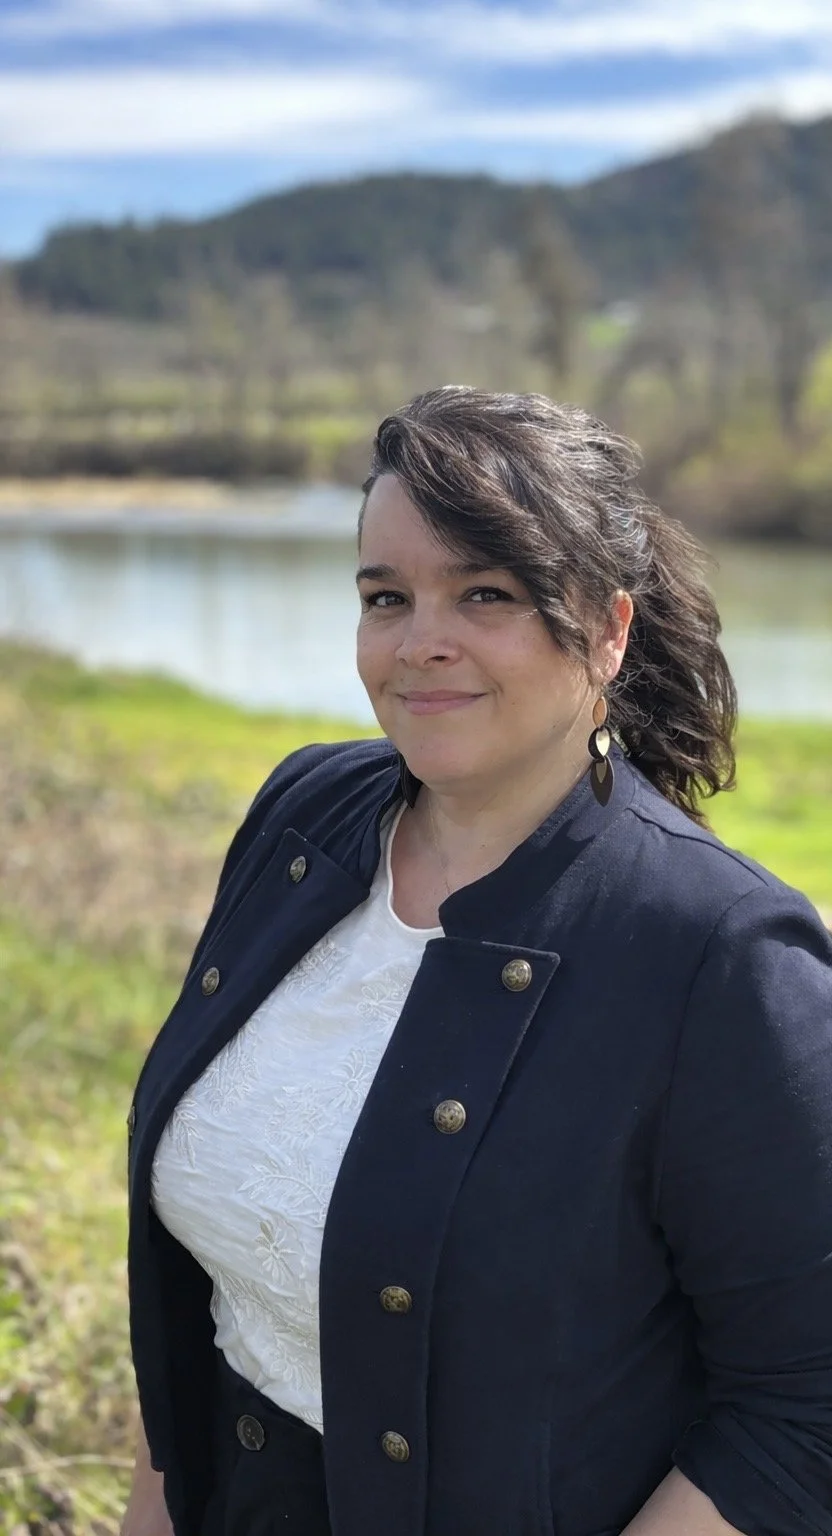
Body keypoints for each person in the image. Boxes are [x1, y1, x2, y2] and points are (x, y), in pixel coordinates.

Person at [121, 388, 832, 1536]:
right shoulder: (304, 813)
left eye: (485, 593)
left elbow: (803, 1411)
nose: (420, 643)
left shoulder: (721, 954)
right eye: (385, 597)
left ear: (608, 629)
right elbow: (200, 1307)